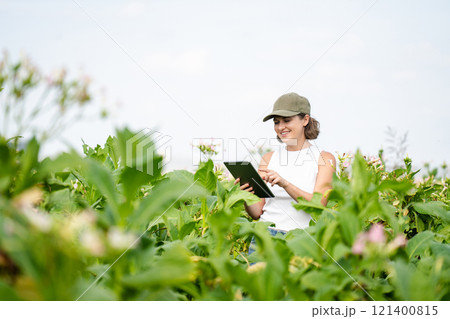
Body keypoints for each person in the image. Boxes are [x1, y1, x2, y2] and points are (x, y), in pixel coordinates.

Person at [234, 92, 336, 241]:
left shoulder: (324, 158)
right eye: (276, 122)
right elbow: (257, 213)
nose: (280, 127)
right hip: (265, 236)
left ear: (305, 120)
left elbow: (319, 205)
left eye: (286, 120)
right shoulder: (268, 159)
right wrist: (246, 193)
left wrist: (285, 183)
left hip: (301, 238)